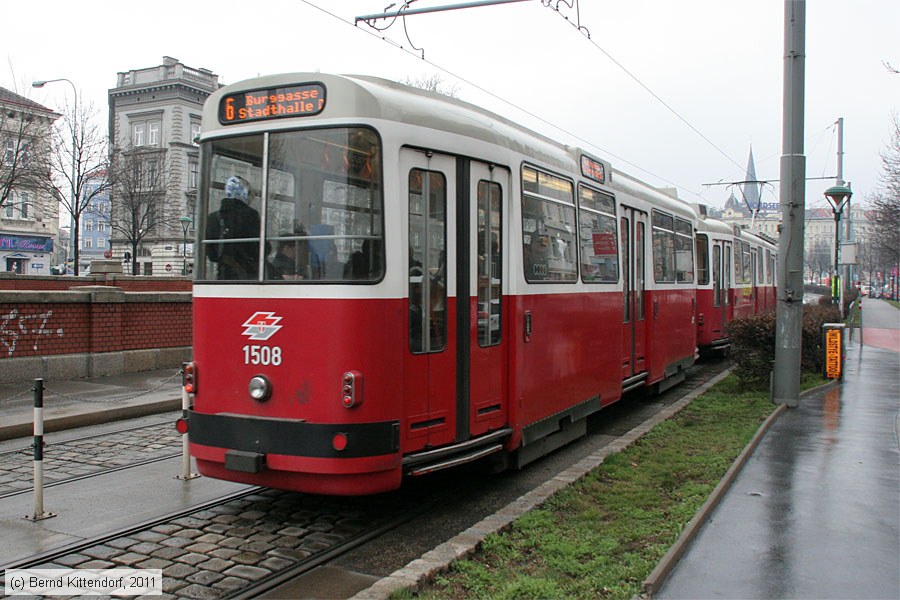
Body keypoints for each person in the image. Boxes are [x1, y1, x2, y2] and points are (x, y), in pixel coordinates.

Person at [205, 176, 260, 280]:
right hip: (248, 275)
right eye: (251, 195)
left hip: (223, 275)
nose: (252, 199)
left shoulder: (213, 217)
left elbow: (211, 255)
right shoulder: (251, 215)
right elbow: (259, 249)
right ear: (244, 193)